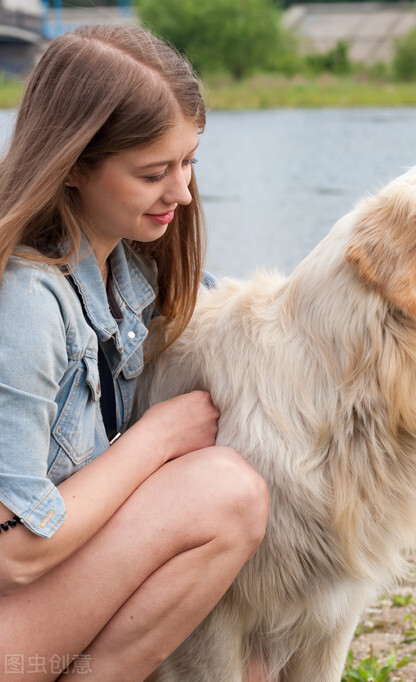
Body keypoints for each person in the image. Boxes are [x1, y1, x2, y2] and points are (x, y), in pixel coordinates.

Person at [0, 24, 270, 681]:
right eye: (154, 172)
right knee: (226, 493)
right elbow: (13, 555)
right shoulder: (28, 303)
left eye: (188, 164)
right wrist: (151, 442)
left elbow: (247, 317)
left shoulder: (130, 275)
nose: (180, 193)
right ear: (74, 166)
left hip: (38, 602)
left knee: (263, 658)